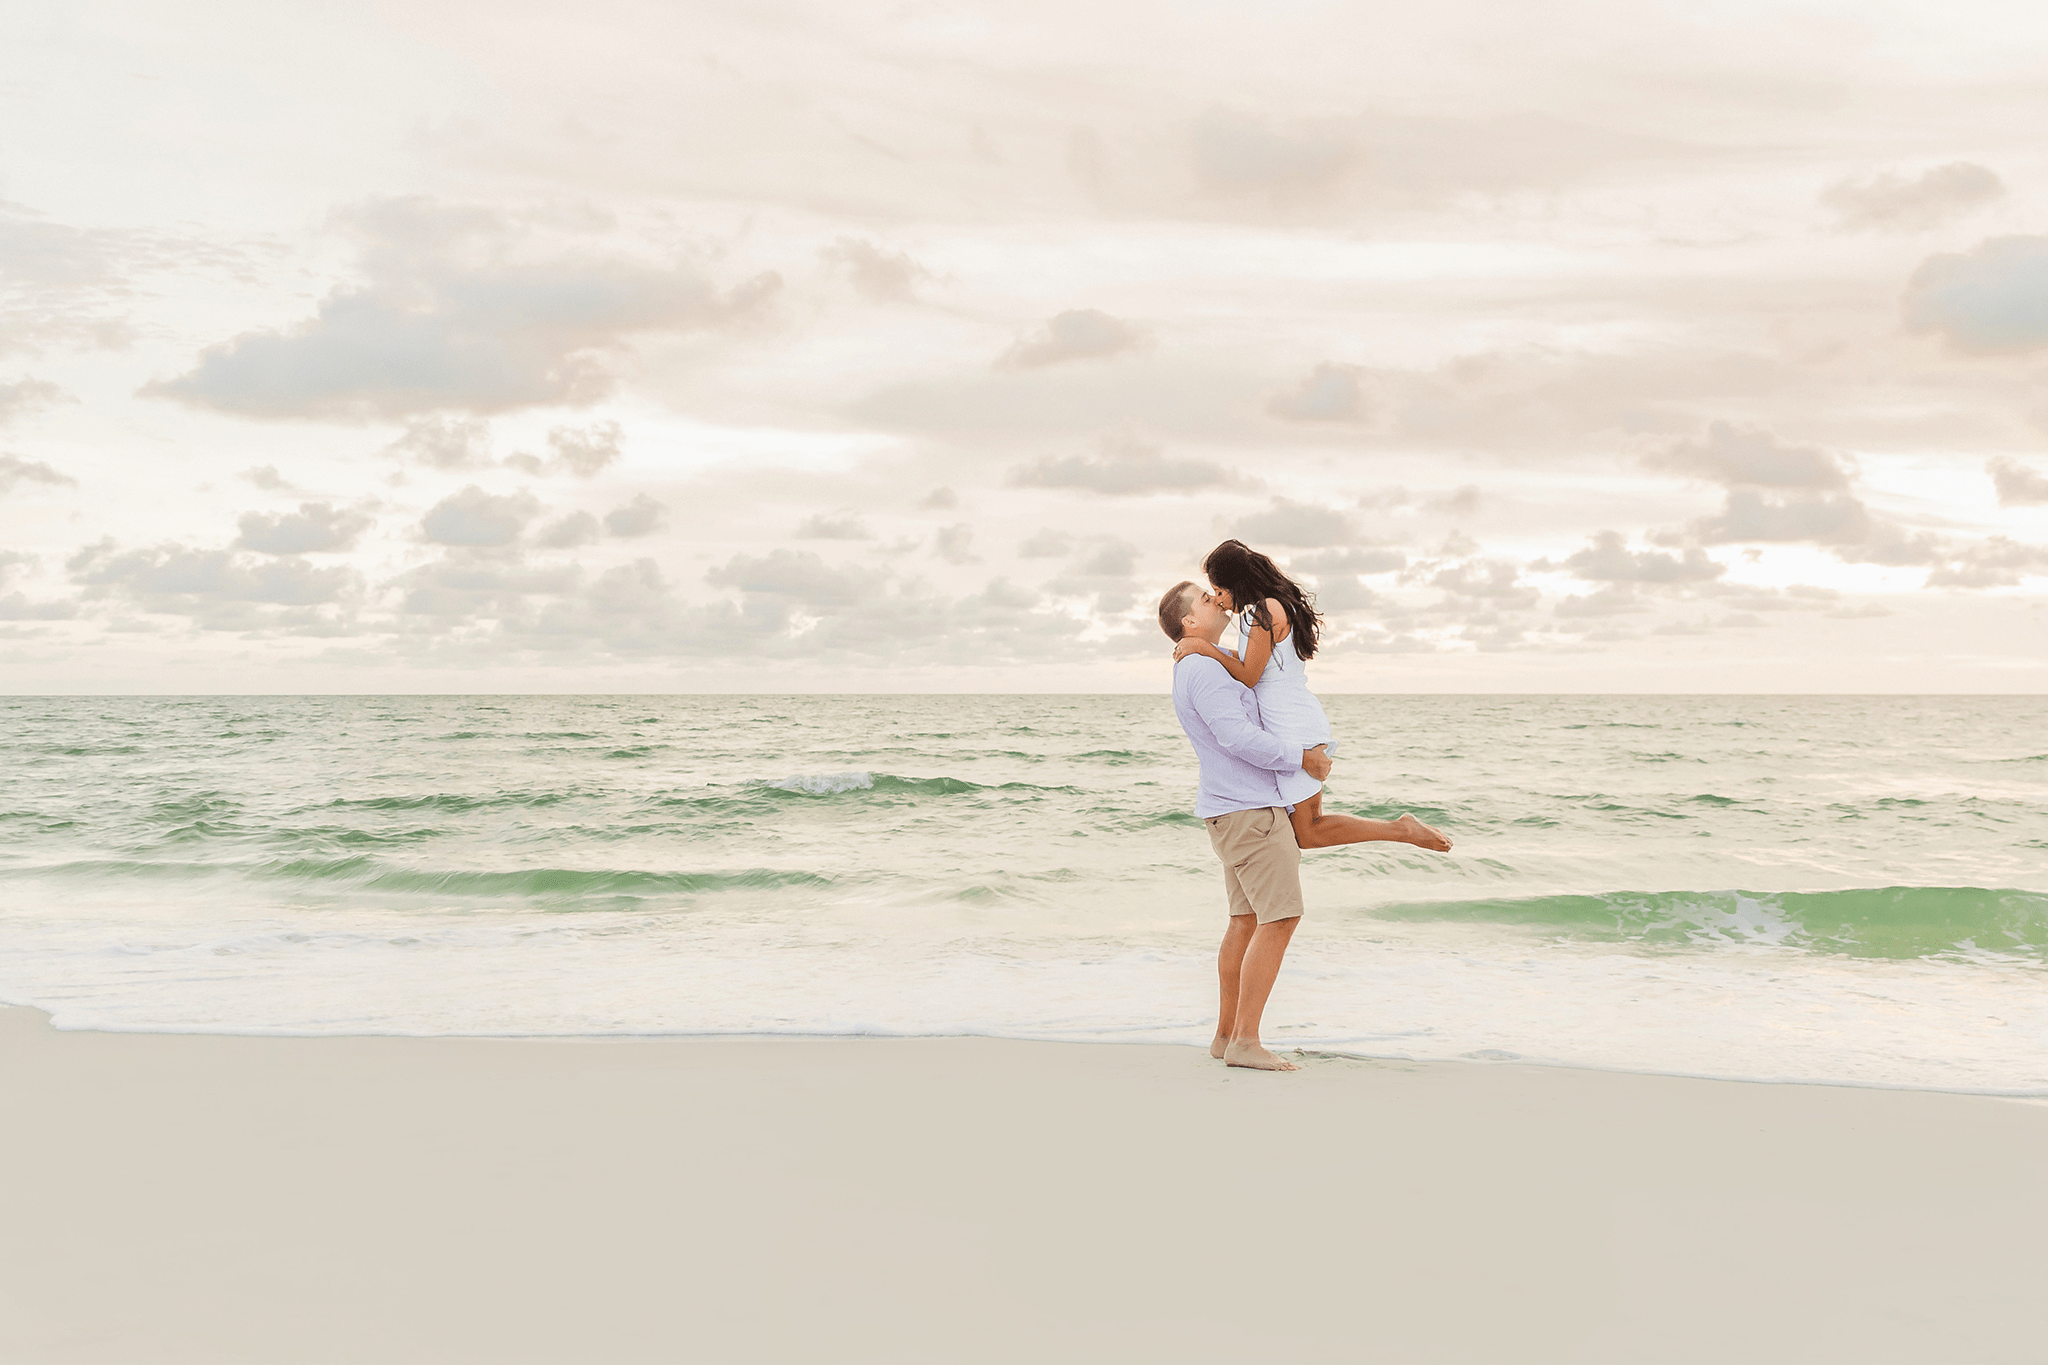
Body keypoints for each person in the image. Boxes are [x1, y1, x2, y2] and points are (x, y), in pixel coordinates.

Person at [1174, 539, 1452, 855]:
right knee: (1309, 826)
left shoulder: (1262, 613)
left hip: (1290, 723)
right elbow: (1258, 661)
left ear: (1237, 583)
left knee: (1309, 831)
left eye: (1220, 590)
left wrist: (1205, 648)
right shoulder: (1278, 605)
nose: (1220, 600)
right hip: (1296, 716)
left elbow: (1250, 676)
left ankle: (1402, 830)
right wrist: (1213, 651)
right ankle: (1401, 830)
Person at [1160, 578, 1333, 1072]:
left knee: (1246, 921)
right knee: (1279, 918)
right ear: (1189, 622)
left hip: (1232, 809)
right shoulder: (1204, 670)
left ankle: (1225, 1037)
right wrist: (1303, 759)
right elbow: (1237, 737)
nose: (1217, 599)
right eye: (1204, 598)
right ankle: (1246, 1041)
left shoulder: (1200, 664)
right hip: (1249, 813)